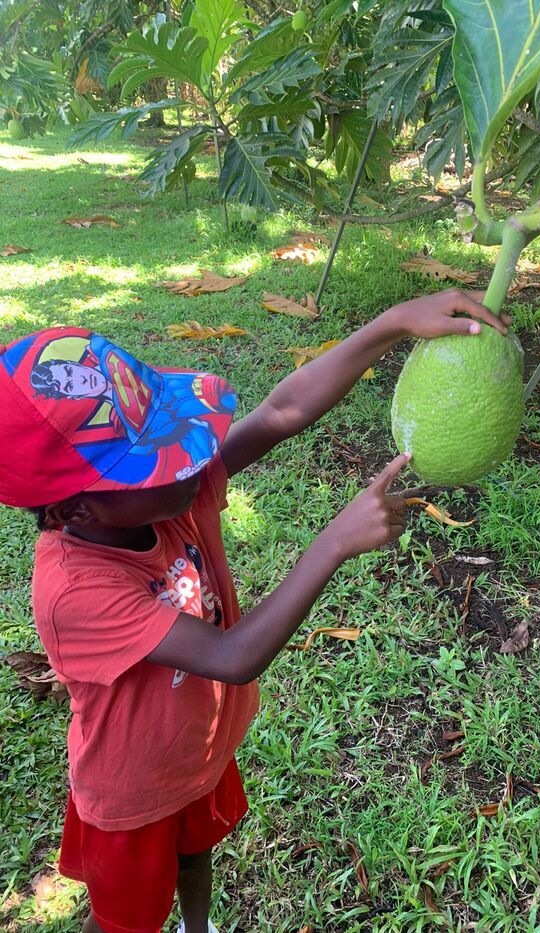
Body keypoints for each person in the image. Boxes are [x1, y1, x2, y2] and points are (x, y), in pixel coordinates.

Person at [0, 289, 508, 933]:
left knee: (195, 855)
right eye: (155, 460)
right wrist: (334, 541)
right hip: (131, 792)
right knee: (125, 917)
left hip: (195, 752)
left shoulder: (166, 495)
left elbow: (281, 411)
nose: (190, 460)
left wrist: (391, 323)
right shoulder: (77, 590)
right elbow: (231, 657)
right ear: (76, 509)